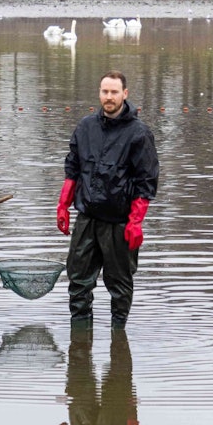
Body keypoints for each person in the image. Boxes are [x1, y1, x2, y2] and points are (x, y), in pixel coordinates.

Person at [57, 71, 159, 328]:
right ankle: (80, 341)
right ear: (99, 93)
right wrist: (63, 205)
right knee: (78, 281)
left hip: (120, 223)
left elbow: (146, 182)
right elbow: (73, 168)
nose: (109, 97)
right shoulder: (85, 127)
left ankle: (118, 334)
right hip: (87, 218)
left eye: (114, 92)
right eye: (105, 92)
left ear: (125, 94)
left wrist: (136, 222)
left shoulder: (139, 134)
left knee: (120, 284)